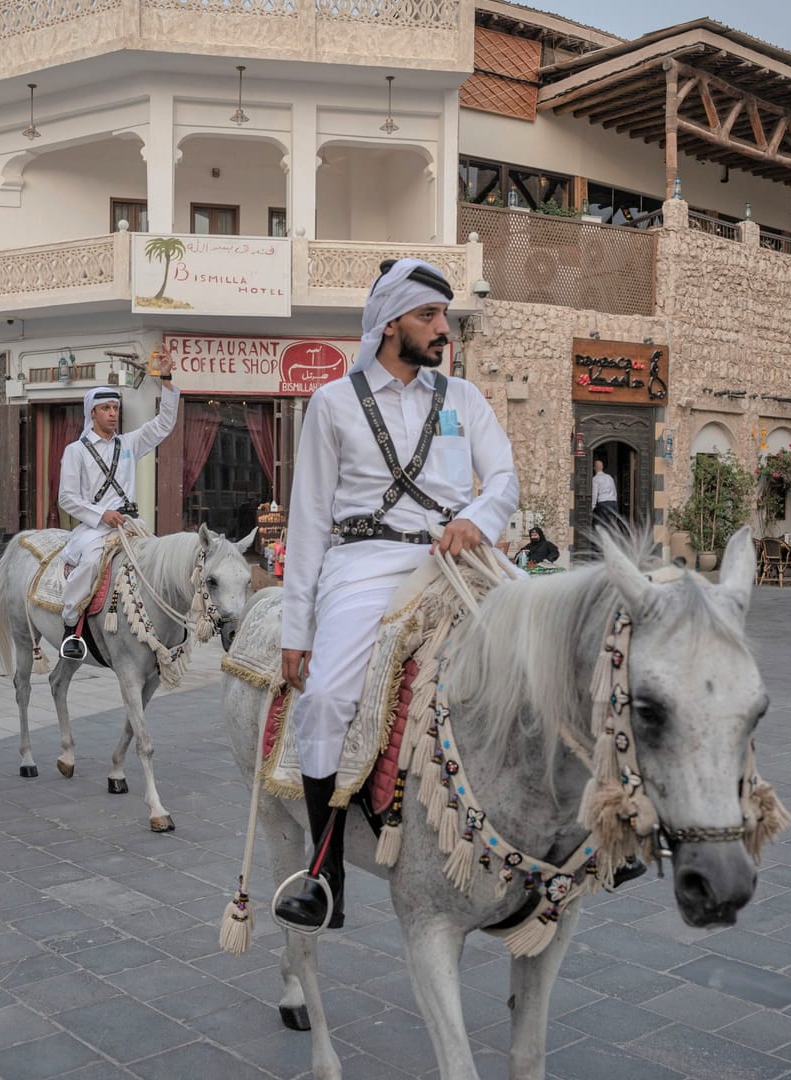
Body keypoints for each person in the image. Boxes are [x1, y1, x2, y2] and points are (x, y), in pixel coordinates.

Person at [274, 258, 520, 932]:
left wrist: (479, 519)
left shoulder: (463, 399)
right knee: (325, 696)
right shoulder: (332, 404)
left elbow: (503, 476)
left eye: (445, 316)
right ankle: (326, 871)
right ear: (390, 326)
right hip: (367, 563)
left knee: (551, 639)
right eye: (428, 317)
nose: (444, 328)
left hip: (460, 557)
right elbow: (307, 520)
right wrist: (298, 630)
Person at [56, 378, 181, 662]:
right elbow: (67, 497)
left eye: (115, 407)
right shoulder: (75, 451)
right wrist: (102, 514)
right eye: (106, 408)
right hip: (95, 529)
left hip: (132, 525)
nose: (113, 413)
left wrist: (167, 382)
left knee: (159, 562)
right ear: (92, 413)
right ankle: (70, 626)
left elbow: (163, 424)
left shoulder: (129, 443)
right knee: (89, 564)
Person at [592, 458, 620, 531]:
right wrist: (615, 503)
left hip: (603, 504)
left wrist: (592, 507)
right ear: (602, 467)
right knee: (612, 525)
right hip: (613, 503)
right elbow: (614, 492)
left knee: (603, 525)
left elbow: (595, 494)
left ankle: (603, 542)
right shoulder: (609, 477)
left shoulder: (595, 479)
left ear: (594, 468)